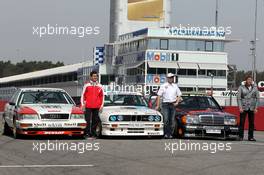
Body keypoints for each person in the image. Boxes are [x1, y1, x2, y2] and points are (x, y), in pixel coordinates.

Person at [155, 73, 182, 139]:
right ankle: (166, 133)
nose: (171, 79)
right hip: (165, 104)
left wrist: (177, 102)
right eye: (169, 77)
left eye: (172, 77)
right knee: (166, 119)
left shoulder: (175, 86)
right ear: (167, 78)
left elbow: (179, 95)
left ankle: (170, 134)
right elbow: (159, 96)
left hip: (173, 104)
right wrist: (158, 105)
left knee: (172, 120)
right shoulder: (163, 86)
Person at [81, 71, 104, 138]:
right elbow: (83, 95)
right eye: (94, 76)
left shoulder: (100, 86)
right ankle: (87, 133)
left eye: (96, 76)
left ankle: (93, 134)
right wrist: (82, 104)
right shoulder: (87, 85)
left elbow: (102, 96)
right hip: (88, 106)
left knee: (95, 120)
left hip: (97, 106)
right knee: (87, 120)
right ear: (91, 77)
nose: (95, 77)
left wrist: (101, 105)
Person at [237, 75, 260, 141]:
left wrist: (256, 108)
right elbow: (239, 98)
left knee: (251, 123)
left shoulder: (255, 88)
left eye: (251, 80)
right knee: (242, 122)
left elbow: (257, 98)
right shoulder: (241, 87)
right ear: (246, 80)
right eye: (248, 79)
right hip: (243, 108)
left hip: (252, 108)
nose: (250, 81)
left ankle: (251, 137)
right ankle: (240, 136)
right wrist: (240, 108)